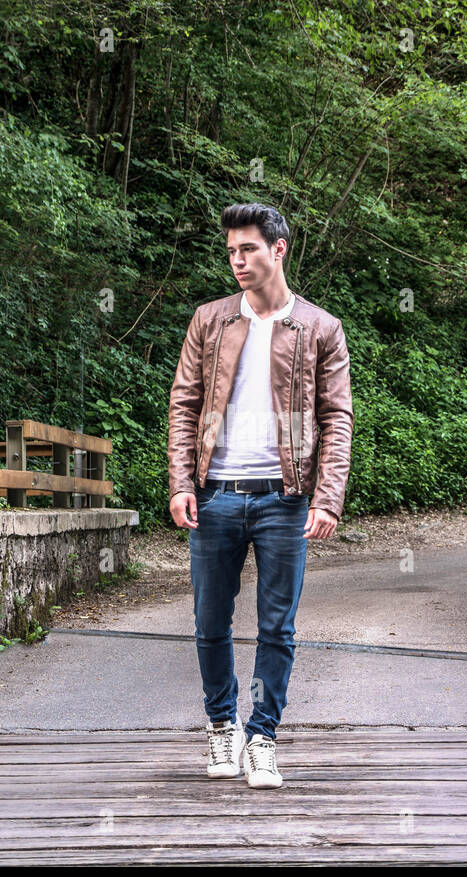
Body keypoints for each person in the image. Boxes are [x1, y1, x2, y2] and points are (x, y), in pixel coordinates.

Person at [167, 202, 353, 789]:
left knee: (278, 627)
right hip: (216, 495)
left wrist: (327, 497)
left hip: (285, 499)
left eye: (247, 249)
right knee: (208, 622)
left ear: (279, 249)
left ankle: (263, 738)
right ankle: (222, 728)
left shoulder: (320, 328)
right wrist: (179, 483)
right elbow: (184, 404)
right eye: (230, 251)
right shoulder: (210, 320)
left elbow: (337, 418)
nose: (237, 260)